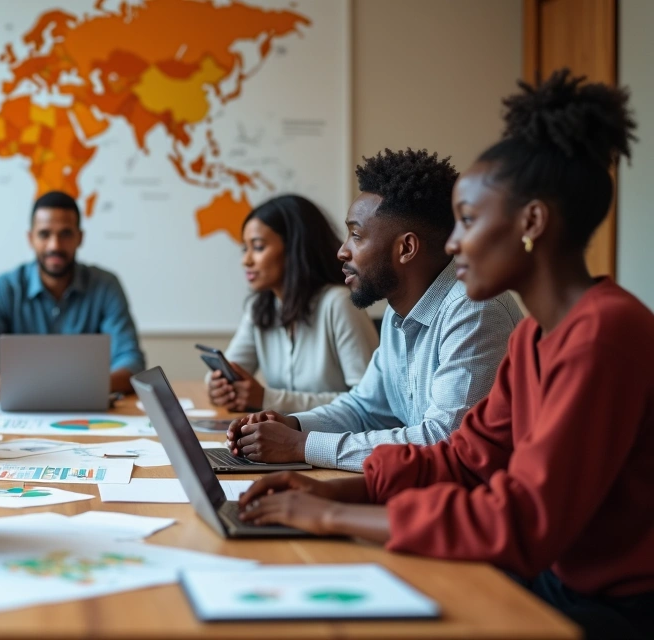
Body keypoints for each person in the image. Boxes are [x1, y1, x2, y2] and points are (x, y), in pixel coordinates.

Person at [237, 70, 652, 639]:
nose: (452, 243)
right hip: (549, 577)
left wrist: (332, 516)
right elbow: (463, 457)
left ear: (532, 223)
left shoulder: (605, 333)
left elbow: (521, 520)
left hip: (609, 606)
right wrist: (336, 489)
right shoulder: (535, 338)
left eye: (470, 222)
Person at [226, 148, 524, 471]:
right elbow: (362, 409)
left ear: (406, 248)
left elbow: (444, 440)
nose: (342, 251)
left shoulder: (473, 309)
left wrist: (302, 446)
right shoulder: (399, 317)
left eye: (356, 235)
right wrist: (292, 425)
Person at [207, 195, 379, 414]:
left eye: (258, 247)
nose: (246, 260)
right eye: (245, 249)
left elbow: (370, 404)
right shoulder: (261, 308)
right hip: (285, 440)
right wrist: (217, 386)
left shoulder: (339, 304)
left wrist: (267, 399)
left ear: (295, 248)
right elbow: (233, 367)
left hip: (330, 444)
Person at [0, 190, 146, 394]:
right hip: (18, 405)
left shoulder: (106, 286)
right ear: (30, 238)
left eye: (65, 234)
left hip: (87, 407)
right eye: (44, 234)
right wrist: (17, 388)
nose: (55, 245)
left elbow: (132, 361)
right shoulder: (4, 289)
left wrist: (81, 389)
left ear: (80, 237)